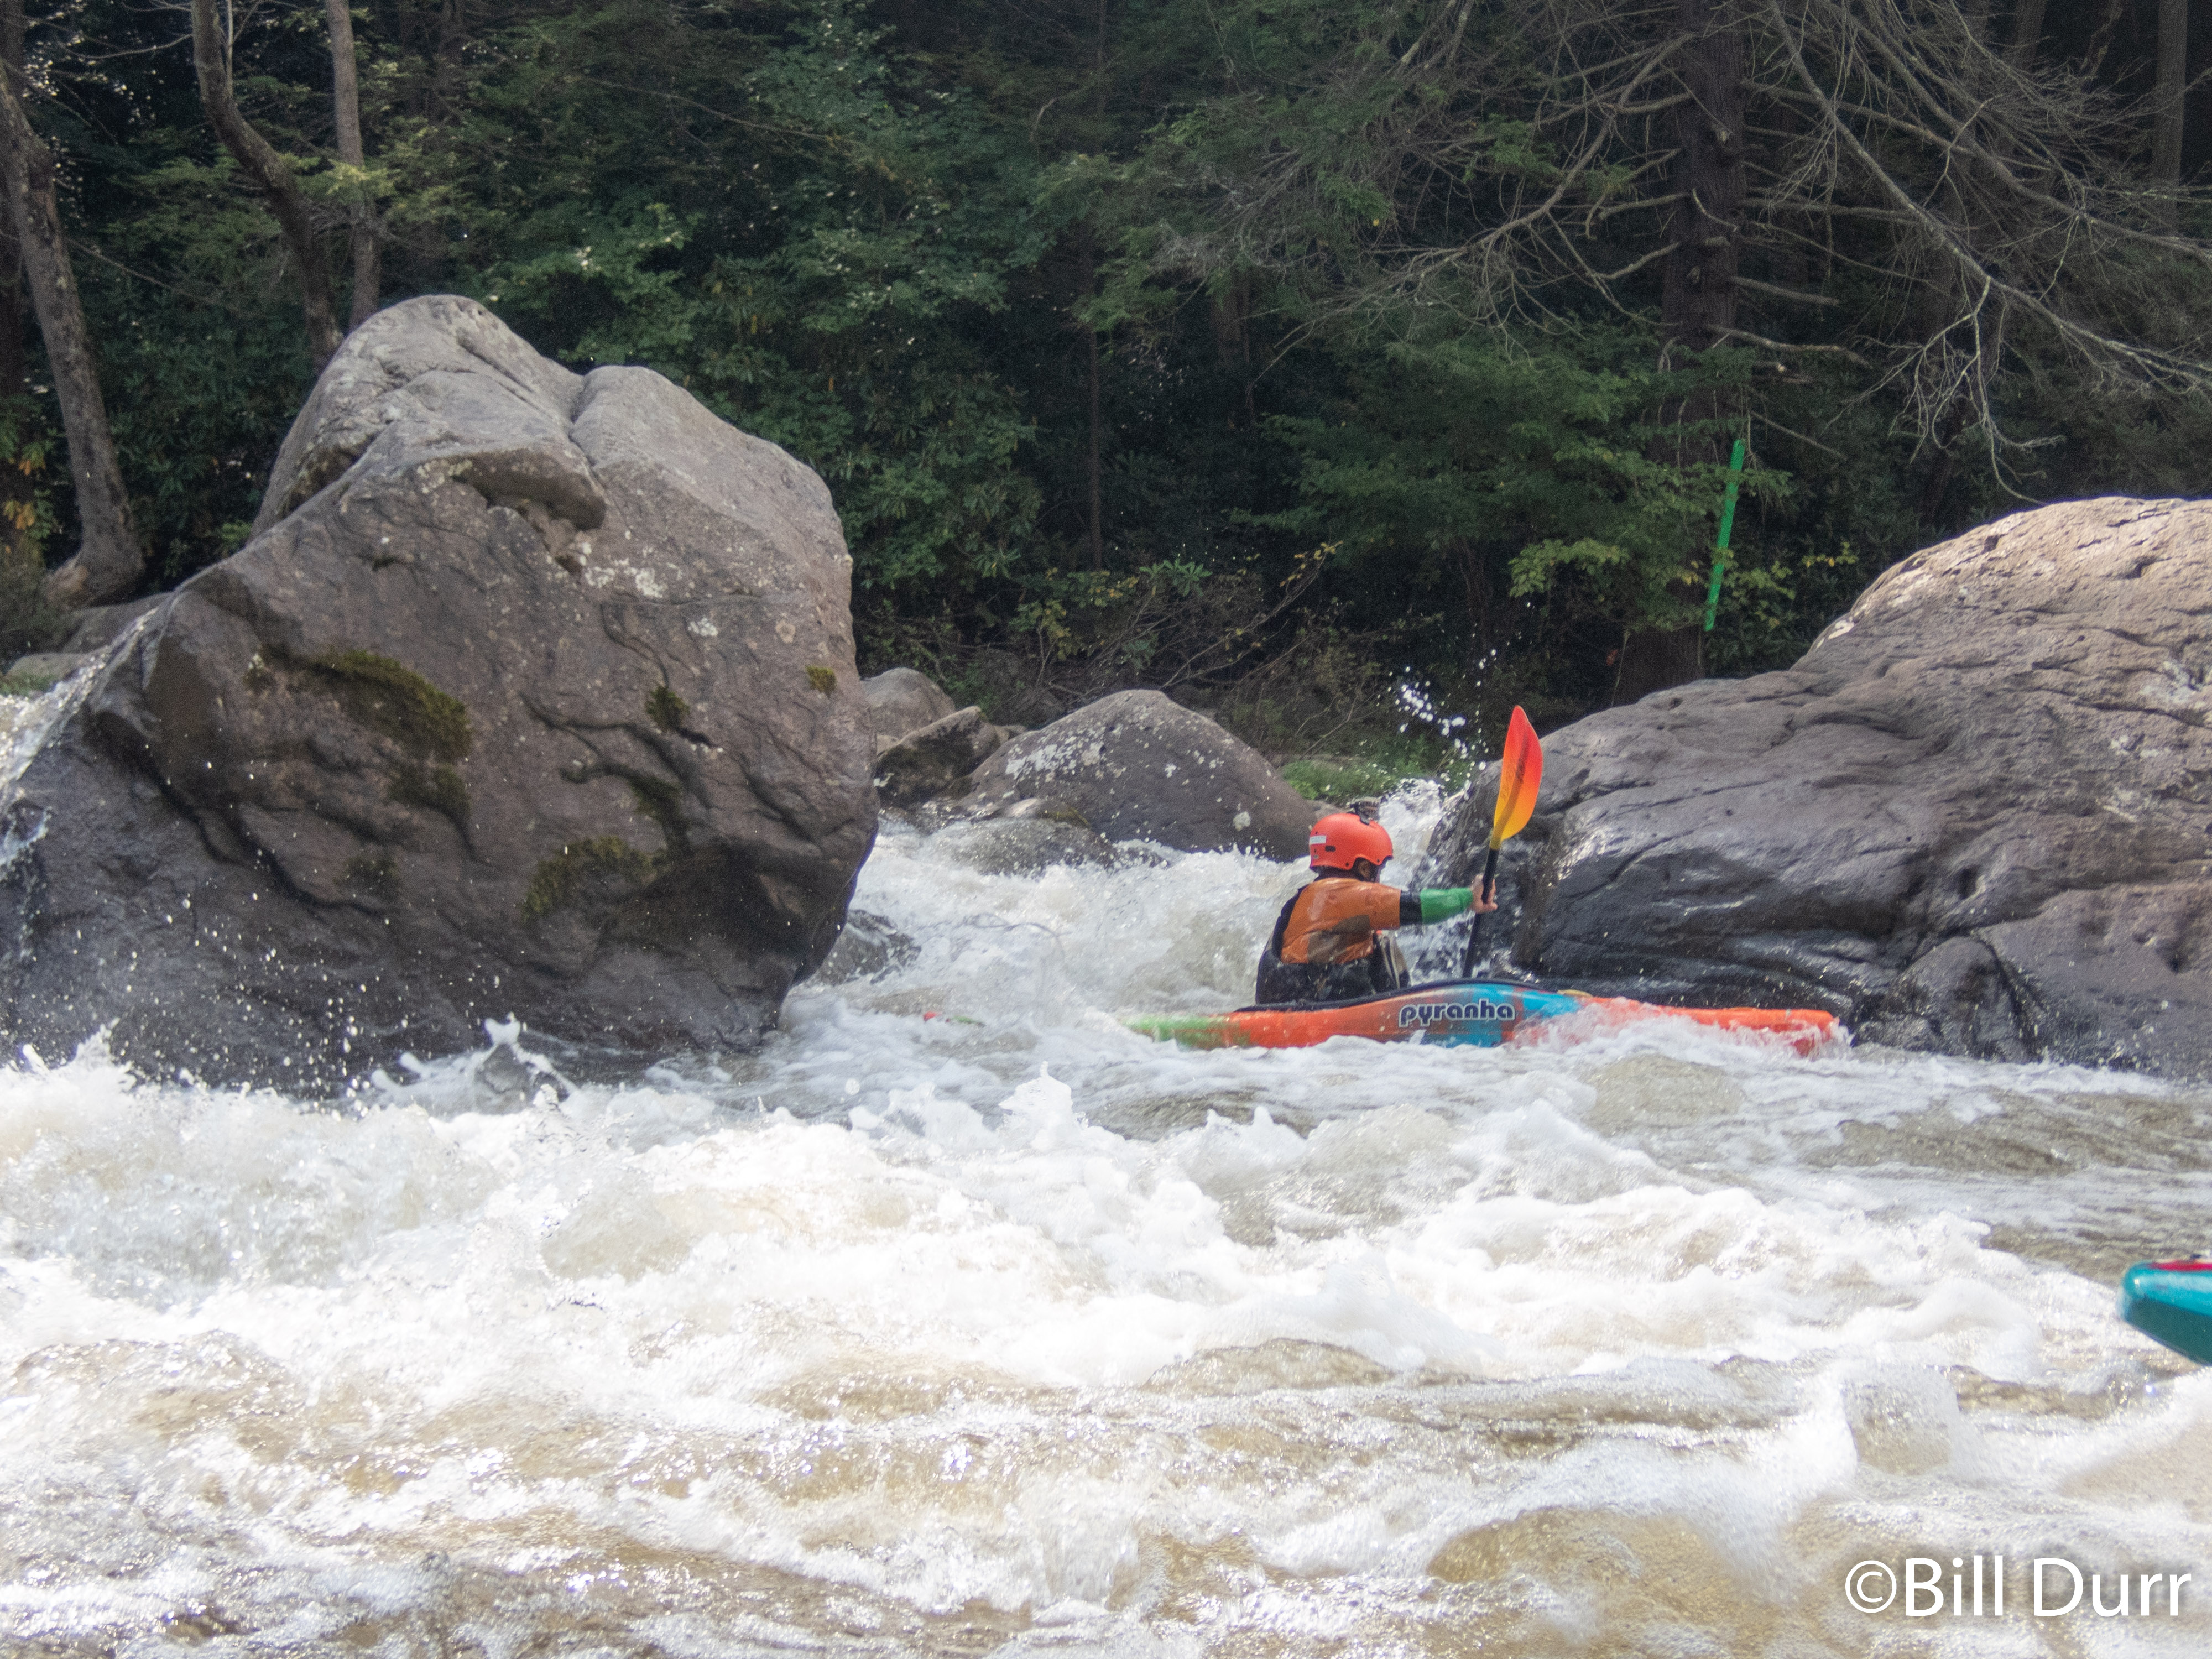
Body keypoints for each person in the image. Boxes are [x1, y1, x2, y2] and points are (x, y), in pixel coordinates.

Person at [1252, 807, 1498, 1005]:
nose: (1379, 877)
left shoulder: (1312, 896)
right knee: (1385, 945)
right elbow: (1418, 907)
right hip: (1311, 1010)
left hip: (1306, 1004)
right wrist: (1469, 897)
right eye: (1379, 868)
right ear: (1363, 868)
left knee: (1378, 942)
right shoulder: (1336, 895)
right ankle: (1402, 1010)